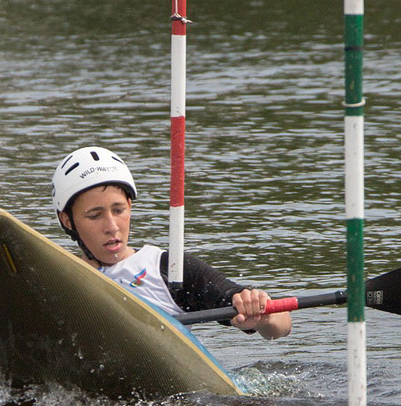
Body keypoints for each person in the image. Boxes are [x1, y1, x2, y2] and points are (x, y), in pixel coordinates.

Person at [51, 146, 291, 340]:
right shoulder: (54, 277)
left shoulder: (170, 269)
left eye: (119, 210)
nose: (112, 226)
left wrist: (263, 316)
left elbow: (283, 324)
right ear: (67, 221)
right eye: (95, 215)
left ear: (130, 207)